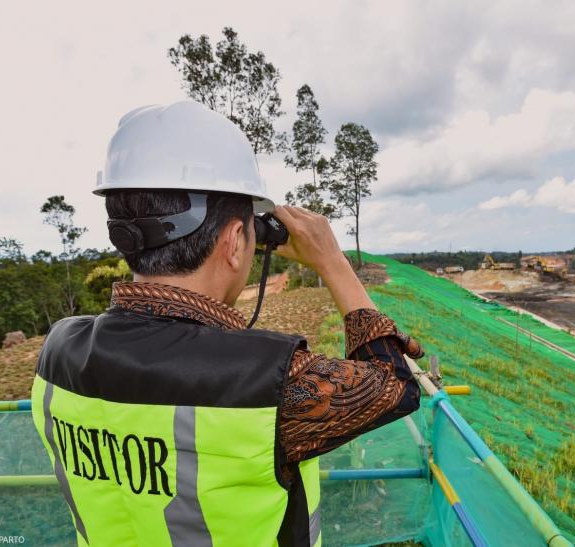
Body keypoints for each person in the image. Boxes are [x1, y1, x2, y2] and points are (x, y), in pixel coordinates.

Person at [30, 101, 422, 547]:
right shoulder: (270, 381)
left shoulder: (57, 351)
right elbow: (394, 383)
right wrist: (331, 261)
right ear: (236, 241)